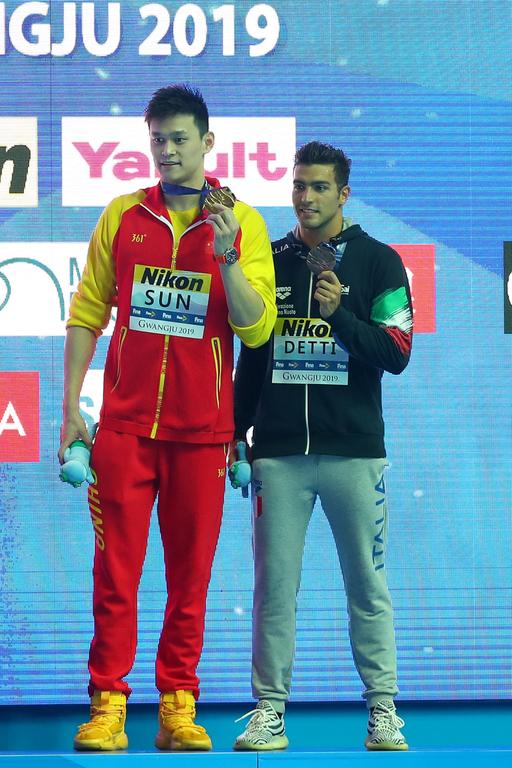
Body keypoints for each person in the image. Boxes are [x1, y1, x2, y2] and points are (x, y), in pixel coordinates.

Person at [60, 84, 277, 752]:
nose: (169, 150)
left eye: (181, 139)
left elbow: (258, 325)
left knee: (191, 580)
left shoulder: (244, 223)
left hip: (203, 435)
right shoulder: (122, 215)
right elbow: (87, 313)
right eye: (158, 139)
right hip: (123, 432)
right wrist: (69, 408)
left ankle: (178, 706)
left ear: (208, 143)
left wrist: (227, 255)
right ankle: (108, 706)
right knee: (114, 575)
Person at [232, 141, 413, 752]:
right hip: (278, 454)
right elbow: (252, 355)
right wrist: (236, 432)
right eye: (298, 187)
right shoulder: (271, 260)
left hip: (355, 454)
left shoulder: (382, 263)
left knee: (367, 581)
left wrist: (340, 318)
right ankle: (269, 712)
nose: (305, 198)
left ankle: (383, 710)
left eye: (318, 188)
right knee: (274, 585)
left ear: (343, 194)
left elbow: (397, 353)